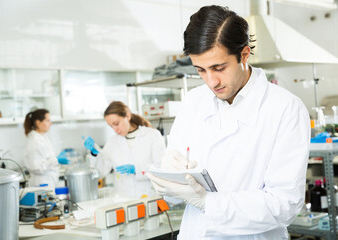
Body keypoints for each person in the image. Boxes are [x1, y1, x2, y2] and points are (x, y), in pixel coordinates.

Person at [147, 5, 310, 239]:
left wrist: (208, 202)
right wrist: (169, 180)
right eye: (201, 70)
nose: (211, 81)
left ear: (244, 55)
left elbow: (284, 204)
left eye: (218, 67)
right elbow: (175, 194)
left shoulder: (285, 108)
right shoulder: (194, 101)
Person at [84, 101, 166, 198]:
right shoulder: (112, 142)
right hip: (123, 200)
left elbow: (162, 168)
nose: (115, 129)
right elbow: (101, 172)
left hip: (149, 197)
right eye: (111, 126)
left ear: (127, 116)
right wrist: (94, 154)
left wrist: (137, 169)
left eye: (116, 123)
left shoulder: (152, 135)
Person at [23, 109, 70, 188]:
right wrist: (56, 160)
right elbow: (37, 167)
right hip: (41, 184)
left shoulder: (42, 137)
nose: (50, 124)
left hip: (48, 183)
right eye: (47, 121)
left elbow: (46, 158)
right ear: (38, 123)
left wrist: (55, 158)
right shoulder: (34, 141)